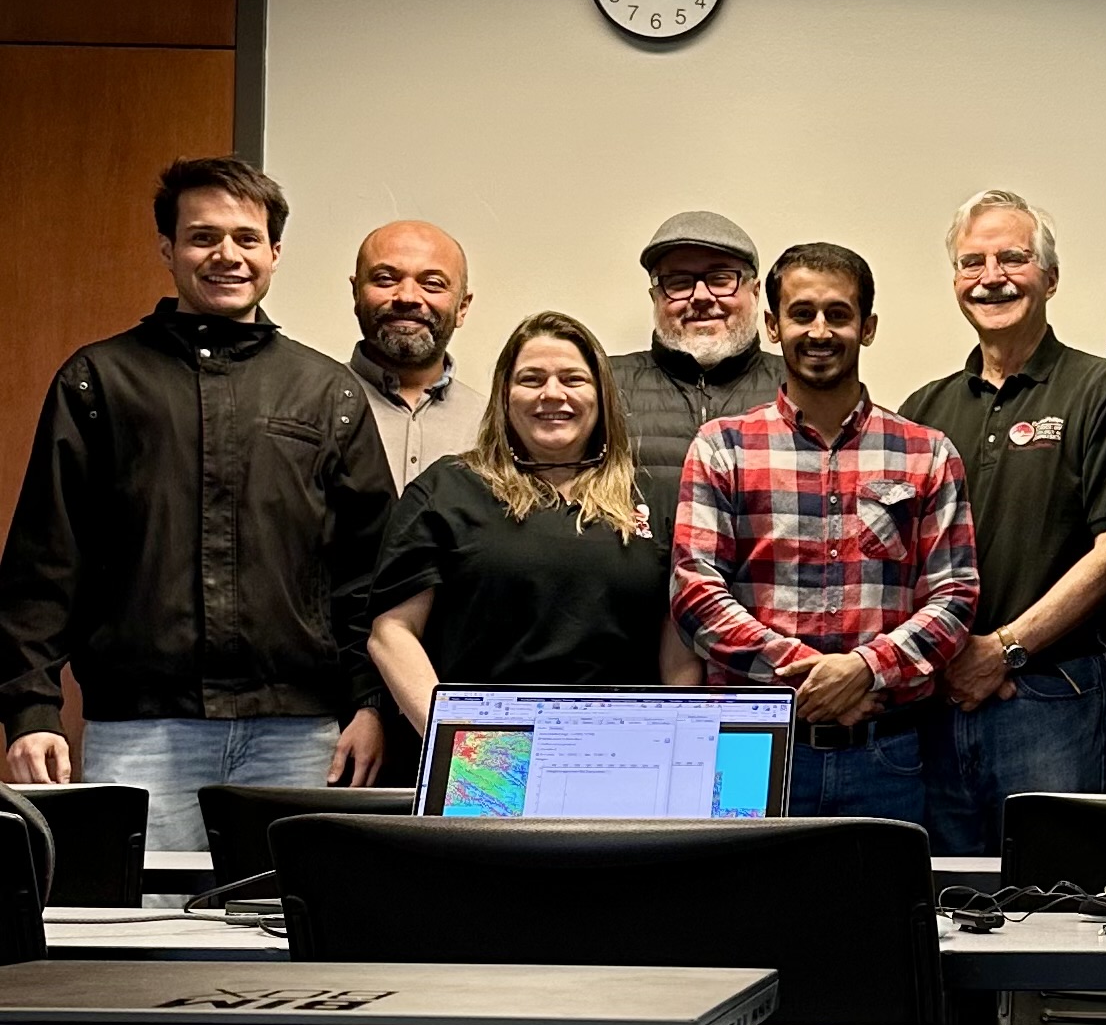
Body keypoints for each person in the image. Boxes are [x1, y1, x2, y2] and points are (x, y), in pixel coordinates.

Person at [0, 157, 397, 849]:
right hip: (144, 730)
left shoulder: (326, 393)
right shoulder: (99, 382)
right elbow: (44, 563)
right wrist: (31, 709)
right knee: (149, 939)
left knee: (294, 932)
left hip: (300, 733)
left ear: (274, 252)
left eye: (246, 238)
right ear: (167, 249)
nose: (226, 256)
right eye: (202, 237)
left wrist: (369, 705)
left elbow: (365, 574)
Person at [670, 242, 978, 823]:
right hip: (750, 746)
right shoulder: (722, 447)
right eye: (801, 313)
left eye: (838, 314)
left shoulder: (926, 452)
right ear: (771, 325)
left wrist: (863, 669)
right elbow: (695, 595)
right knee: (741, 909)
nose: (819, 330)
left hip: (886, 752)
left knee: (875, 909)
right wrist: (808, 679)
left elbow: (955, 597)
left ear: (868, 327)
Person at [899, 191, 1106, 855]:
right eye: (972, 261)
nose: (991, 276)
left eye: (1013, 257)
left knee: (1056, 903)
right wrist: (951, 662)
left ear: (1049, 276)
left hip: (1053, 698)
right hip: (937, 702)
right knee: (941, 906)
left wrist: (1004, 648)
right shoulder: (921, 409)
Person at [367, 313, 683, 739]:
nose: (552, 394)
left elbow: (677, 650)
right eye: (531, 379)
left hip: (620, 747)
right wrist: (455, 743)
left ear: (602, 395)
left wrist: (670, 739)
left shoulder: (656, 496)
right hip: (487, 749)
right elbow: (392, 632)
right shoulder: (447, 488)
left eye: (573, 379)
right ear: (504, 396)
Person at [611, 210, 785, 486]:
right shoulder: (604, 385)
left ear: (755, 292)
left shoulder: (798, 388)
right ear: (655, 298)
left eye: (720, 278)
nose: (701, 296)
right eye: (679, 282)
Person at [347, 220, 485, 493]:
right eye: (385, 279)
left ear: (462, 307)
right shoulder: (308, 404)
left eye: (432, 284)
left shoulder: (492, 424)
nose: (407, 297)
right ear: (356, 293)